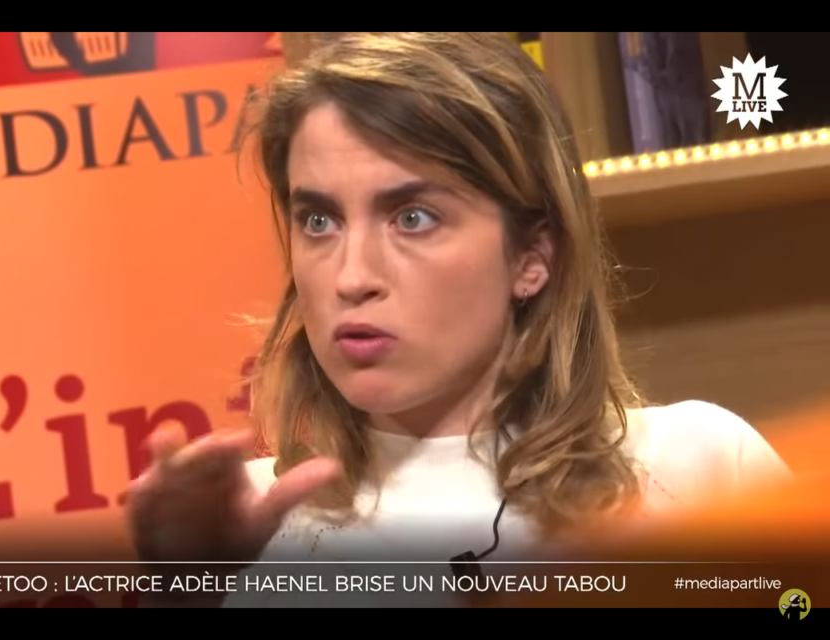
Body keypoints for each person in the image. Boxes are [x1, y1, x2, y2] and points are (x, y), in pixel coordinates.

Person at [127, 32, 792, 607]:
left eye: (413, 217)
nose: (351, 277)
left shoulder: (698, 467)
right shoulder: (240, 532)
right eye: (320, 220)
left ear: (532, 256)